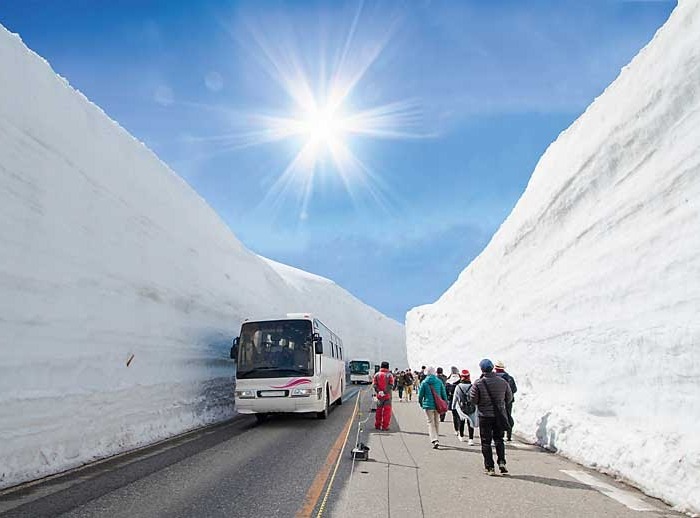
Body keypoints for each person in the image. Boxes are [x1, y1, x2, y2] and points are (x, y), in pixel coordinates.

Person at [470, 359, 513, 476]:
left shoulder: (478, 383)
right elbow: (509, 398)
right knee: (499, 439)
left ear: (482, 369)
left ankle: (489, 467)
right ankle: (502, 462)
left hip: (485, 416)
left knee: (486, 442)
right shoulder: (503, 382)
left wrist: (482, 403)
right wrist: (500, 404)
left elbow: (473, 399)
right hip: (499, 415)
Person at [418, 366, 448, 449]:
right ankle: (437, 438)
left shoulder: (424, 382)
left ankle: (434, 439)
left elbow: (420, 395)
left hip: (428, 405)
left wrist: (421, 403)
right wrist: (445, 402)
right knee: (436, 422)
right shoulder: (439, 381)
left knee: (430, 422)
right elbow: (443, 393)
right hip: (438, 405)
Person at [451, 369, 477, 445]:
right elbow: (475, 397)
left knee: (461, 421)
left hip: (461, 407)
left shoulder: (458, 386)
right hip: (471, 406)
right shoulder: (472, 386)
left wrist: (453, 407)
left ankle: (461, 436)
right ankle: (471, 439)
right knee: (470, 423)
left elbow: (455, 398)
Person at [494, 360, 517, 441]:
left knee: (498, 417)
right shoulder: (509, 378)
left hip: (497, 401)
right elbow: (514, 389)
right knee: (507, 416)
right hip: (508, 401)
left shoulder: (494, 378)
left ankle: (501, 433)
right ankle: (509, 435)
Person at [373, 361, 394, 431]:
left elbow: (374, 385)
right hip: (387, 396)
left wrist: (379, 391)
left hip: (379, 396)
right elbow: (391, 385)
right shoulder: (389, 375)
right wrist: (385, 392)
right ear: (388, 367)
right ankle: (385, 426)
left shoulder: (376, 374)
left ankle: (377, 425)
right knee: (387, 412)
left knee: (378, 411)